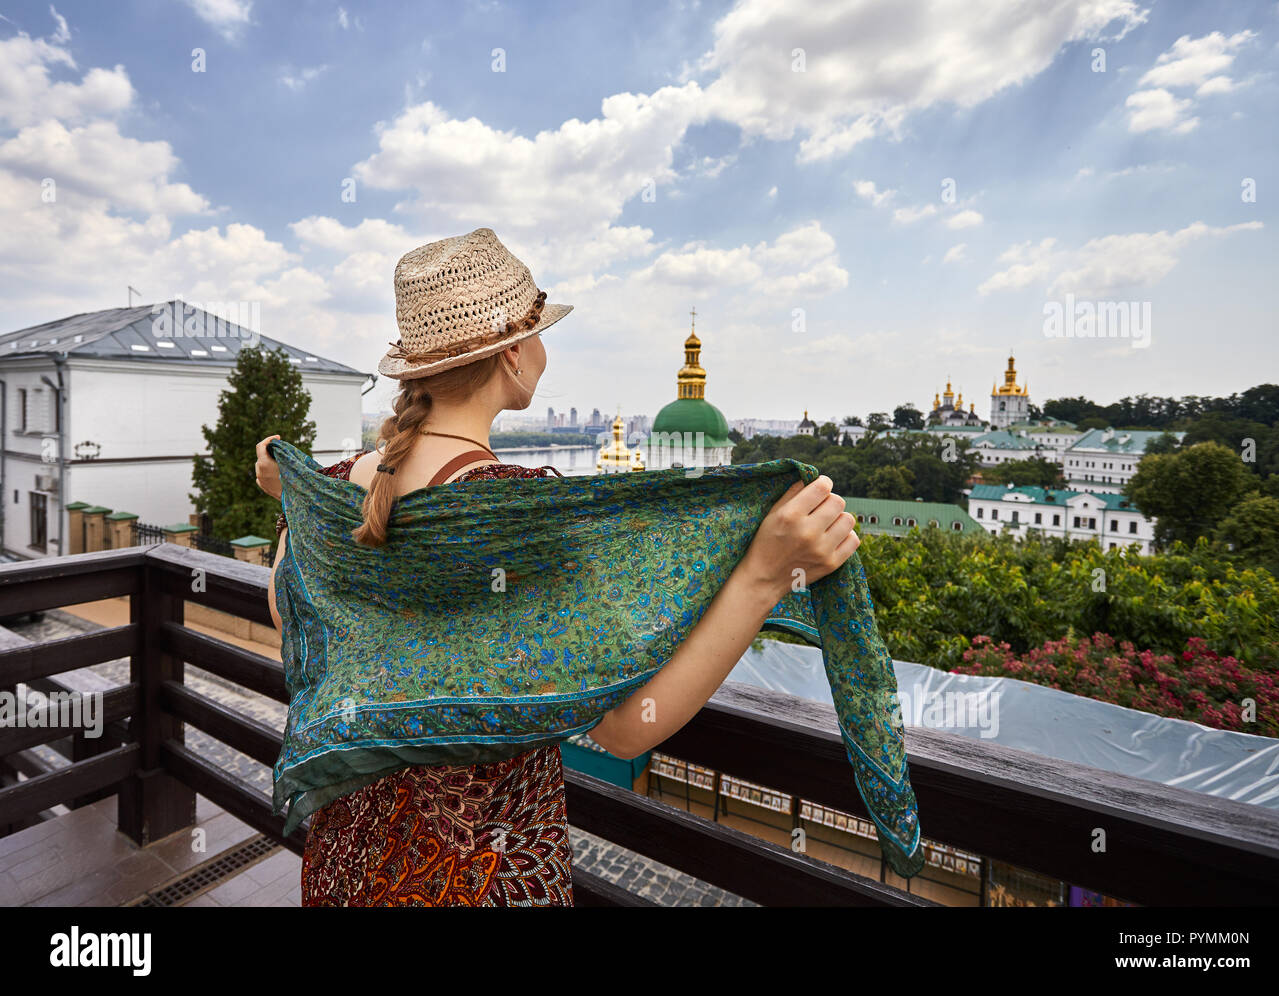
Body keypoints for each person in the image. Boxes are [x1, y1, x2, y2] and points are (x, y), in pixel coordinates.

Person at [253, 227, 858, 906]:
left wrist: (291, 500)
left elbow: (285, 606)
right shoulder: (522, 514)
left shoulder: (337, 484)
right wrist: (763, 578)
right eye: (539, 328)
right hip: (480, 875)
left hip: (349, 862)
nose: (544, 345)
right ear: (512, 353)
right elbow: (624, 727)